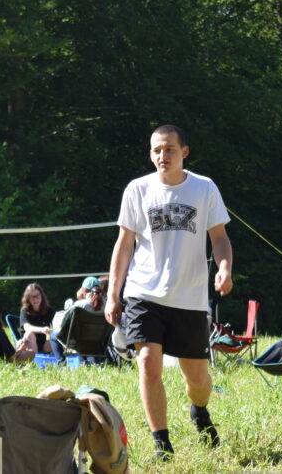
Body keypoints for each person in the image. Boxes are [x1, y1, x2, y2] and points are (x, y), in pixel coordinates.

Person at [105, 124, 233, 459]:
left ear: (184, 152)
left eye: (169, 149)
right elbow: (124, 244)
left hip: (189, 299)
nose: (163, 155)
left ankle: (199, 410)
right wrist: (113, 294)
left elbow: (220, 238)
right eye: (157, 150)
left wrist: (224, 269)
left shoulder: (204, 188)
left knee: (199, 380)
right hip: (144, 293)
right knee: (148, 364)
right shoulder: (137, 190)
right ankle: (162, 444)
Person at [18, 282, 63, 357]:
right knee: (30, 333)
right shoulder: (24, 311)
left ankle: (61, 357)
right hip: (29, 342)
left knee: (57, 333)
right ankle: (33, 358)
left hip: (45, 344)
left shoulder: (49, 310)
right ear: (28, 298)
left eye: (37, 295)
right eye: (32, 297)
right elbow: (27, 327)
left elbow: (58, 322)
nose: (35, 299)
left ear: (42, 296)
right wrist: (42, 329)